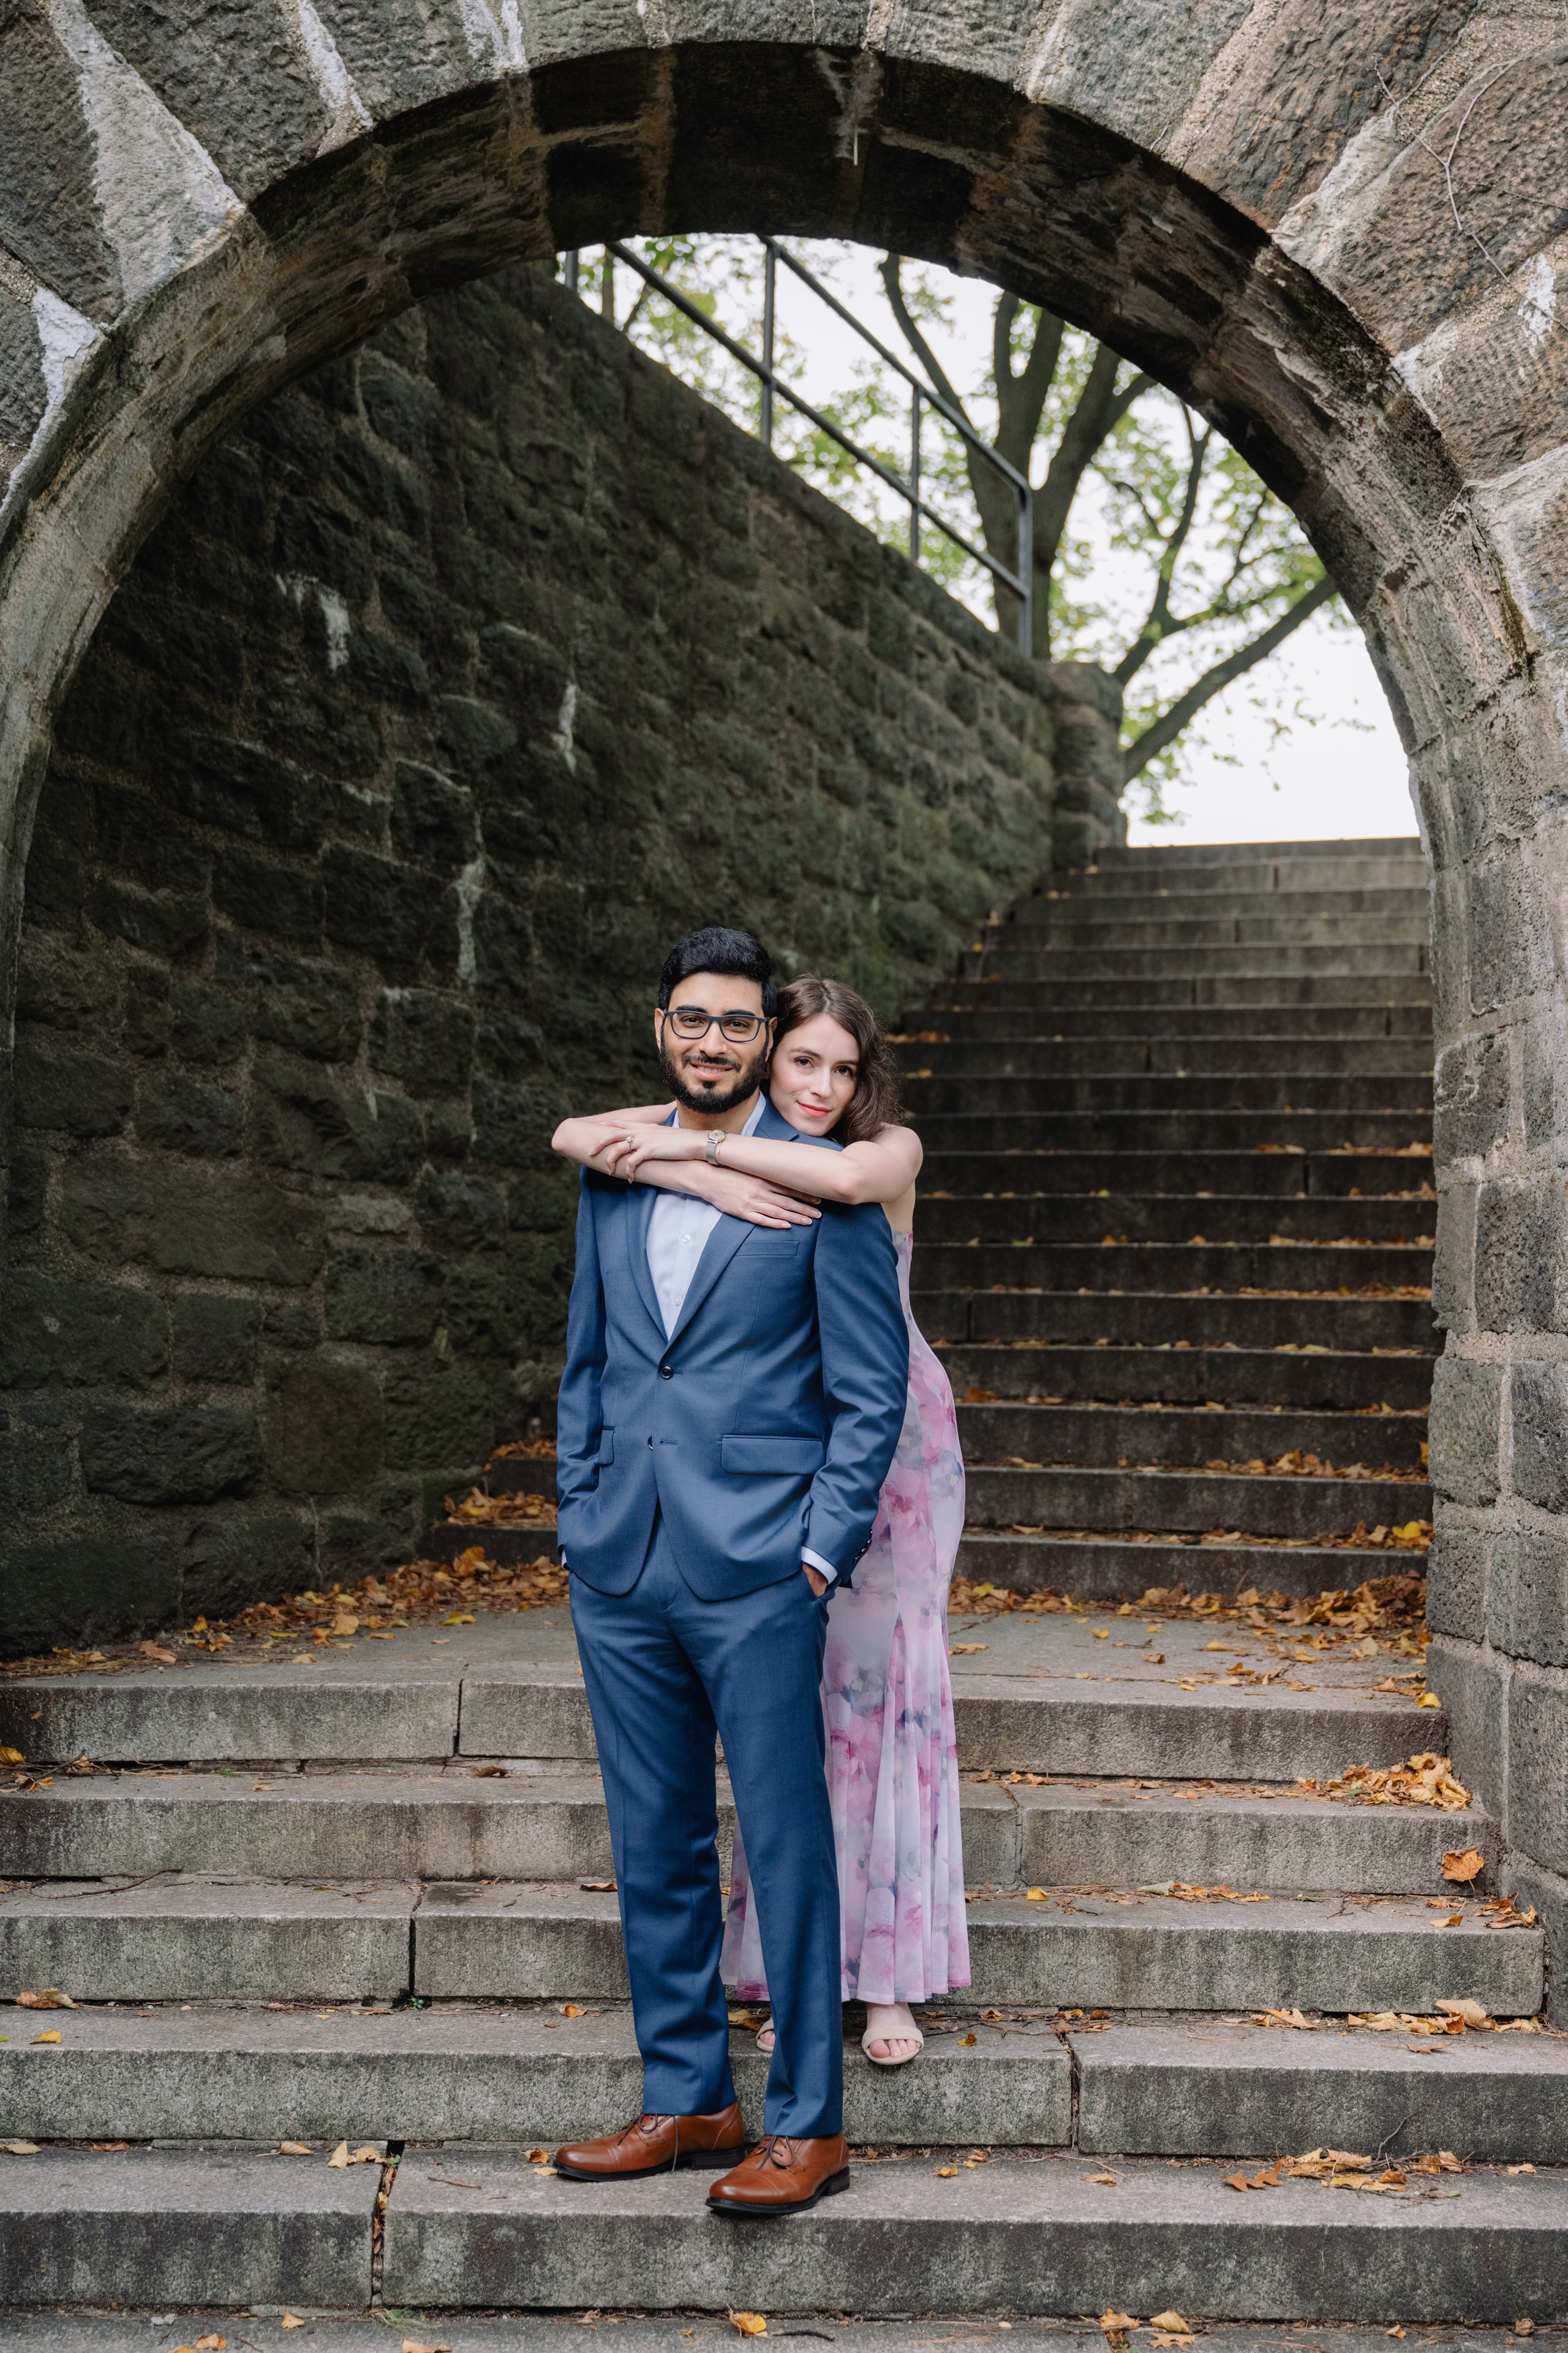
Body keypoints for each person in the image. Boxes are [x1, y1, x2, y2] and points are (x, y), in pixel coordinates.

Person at [549, 927, 908, 2219]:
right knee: (651, 1838)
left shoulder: (825, 1181)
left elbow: (868, 1395)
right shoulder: (613, 1164)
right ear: (663, 1028)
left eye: (737, 1025)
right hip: (619, 1561)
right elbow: (590, 1356)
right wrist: (575, 1505)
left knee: (784, 1836)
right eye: (692, 1021)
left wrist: (818, 1550)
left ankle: (807, 2123)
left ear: (766, 1037)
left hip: (758, 1563)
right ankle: (690, 2094)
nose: (713, 1042)